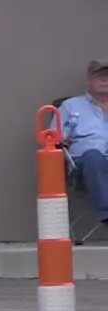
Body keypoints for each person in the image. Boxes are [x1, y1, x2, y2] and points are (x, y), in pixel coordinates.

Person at [58, 60, 108, 229]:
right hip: (85, 167)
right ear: (89, 81)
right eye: (100, 76)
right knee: (93, 155)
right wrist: (62, 139)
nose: (105, 80)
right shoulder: (71, 106)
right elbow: (53, 139)